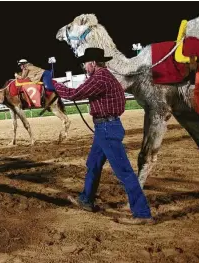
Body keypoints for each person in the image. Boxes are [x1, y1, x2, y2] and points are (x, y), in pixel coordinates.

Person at [51, 47, 155, 225]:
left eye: (85, 63)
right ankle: (86, 200)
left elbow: (73, 94)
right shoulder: (106, 76)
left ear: (92, 63)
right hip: (106, 127)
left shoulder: (99, 78)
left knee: (124, 172)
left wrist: (53, 84)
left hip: (106, 128)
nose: (84, 66)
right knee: (93, 164)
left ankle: (142, 213)